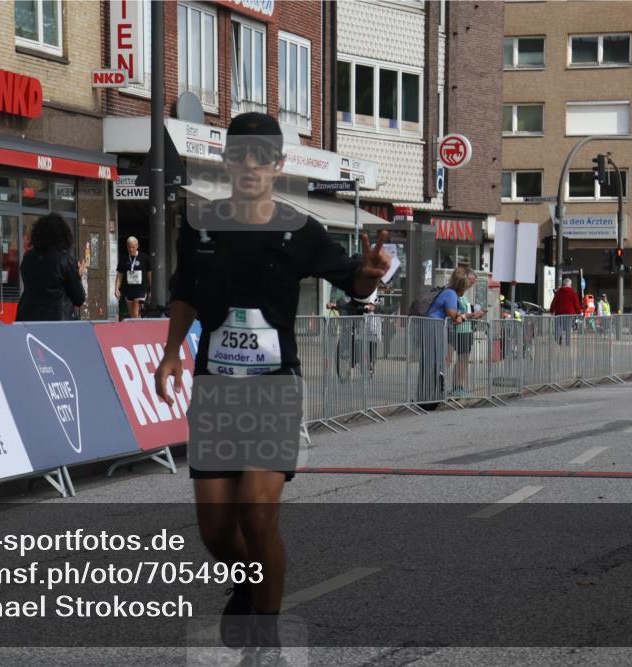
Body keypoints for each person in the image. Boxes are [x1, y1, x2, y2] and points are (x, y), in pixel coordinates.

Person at [154, 113, 390, 667]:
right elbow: (184, 292)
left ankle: (269, 633)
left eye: (263, 157)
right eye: (242, 156)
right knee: (216, 530)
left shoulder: (301, 229)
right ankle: (246, 584)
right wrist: (170, 354)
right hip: (215, 389)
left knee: (258, 515)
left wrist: (370, 275)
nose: (252, 166)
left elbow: (349, 277)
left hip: (272, 390)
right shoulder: (201, 225)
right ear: (227, 161)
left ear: (278, 166)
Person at [15, 213, 86, 322]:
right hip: (56, 323)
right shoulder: (65, 260)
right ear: (63, 235)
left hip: (27, 319)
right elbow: (79, 299)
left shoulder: (28, 257)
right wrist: (78, 275)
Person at [419, 272, 465, 405]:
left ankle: (428, 396)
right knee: (434, 362)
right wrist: (459, 315)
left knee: (432, 362)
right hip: (434, 328)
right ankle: (429, 398)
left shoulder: (447, 292)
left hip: (432, 327)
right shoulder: (450, 293)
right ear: (461, 286)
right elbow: (451, 313)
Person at [449, 267, 484, 398]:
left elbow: (464, 313)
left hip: (466, 330)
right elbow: (458, 313)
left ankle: (459, 386)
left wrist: (474, 314)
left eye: (473, 282)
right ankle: (454, 387)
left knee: (463, 361)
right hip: (457, 330)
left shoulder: (464, 294)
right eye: (471, 281)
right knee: (454, 360)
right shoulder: (455, 293)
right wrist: (473, 314)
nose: (471, 285)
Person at [115, 236, 151, 318]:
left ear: (137, 246)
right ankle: (139, 327)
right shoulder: (124, 259)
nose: (131, 249)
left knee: (135, 314)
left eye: (133, 247)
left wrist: (150, 288)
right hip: (128, 290)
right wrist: (116, 288)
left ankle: (137, 327)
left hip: (141, 289)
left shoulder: (144, 258)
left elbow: (149, 274)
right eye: (129, 247)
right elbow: (120, 274)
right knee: (133, 314)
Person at [550, 278, 581, 345]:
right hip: (569, 314)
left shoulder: (558, 292)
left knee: (559, 326)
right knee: (568, 328)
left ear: (563, 284)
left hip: (559, 313)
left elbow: (554, 302)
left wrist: (552, 310)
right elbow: (576, 304)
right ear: (570, 284)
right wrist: (578, 312)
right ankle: (567, 343)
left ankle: (559, 339)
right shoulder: (573, 293)